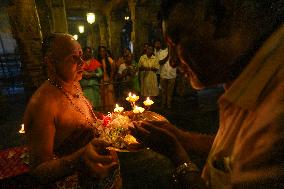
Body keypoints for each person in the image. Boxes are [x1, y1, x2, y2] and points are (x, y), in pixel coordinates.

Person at [131, 0, 284, 188]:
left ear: (220, 19)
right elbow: (232, 150)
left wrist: (178, 157)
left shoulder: (276, 108)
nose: (171, 62)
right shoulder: (249, 79)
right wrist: (181, 137)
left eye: (177, 40)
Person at [23, 33, 121, 188]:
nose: (82, 62)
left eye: (81, 55)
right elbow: (38, 171)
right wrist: (79, 159)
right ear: (50, 63)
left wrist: (109, 118)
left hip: (108, 172)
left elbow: (82, 113)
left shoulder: (73, 81)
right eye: (73, 58)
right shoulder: (42, 105)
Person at [98, 45, 116, 112]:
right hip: (101, 81)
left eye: (103, 51)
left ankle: (111, 112)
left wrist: (110, 78)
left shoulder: (108, 59)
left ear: (105, 52)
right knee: (103, 98)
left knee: (110, 96)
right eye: (101, 51)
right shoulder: (98, 61)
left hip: (108, 80)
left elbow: (113, 68)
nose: (102, 52)